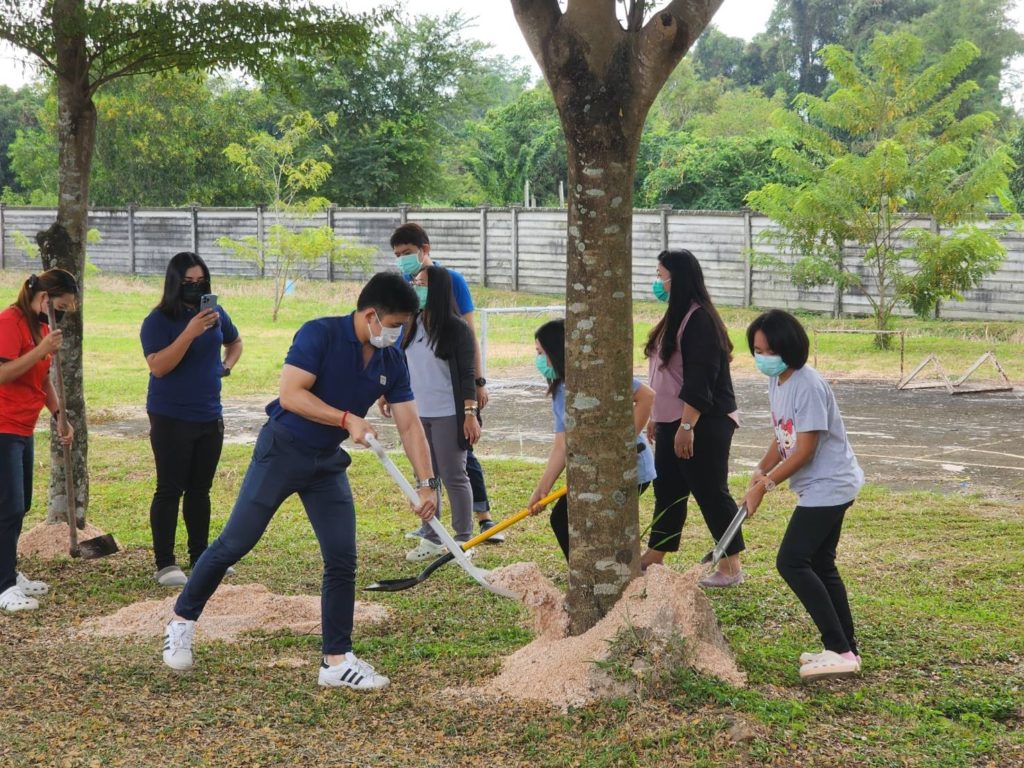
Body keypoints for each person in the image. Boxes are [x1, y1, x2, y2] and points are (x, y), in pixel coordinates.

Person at [161, 273, 438, 692]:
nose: (397, 335)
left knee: (342, 558)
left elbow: (411, 423)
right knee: (234, 543)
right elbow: (291, 394)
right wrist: (347, 419)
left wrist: (426, 482)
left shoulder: (390, 359)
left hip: (326, 463)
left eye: (403, 327)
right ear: (370, 315)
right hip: (283, 451)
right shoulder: (319, 334)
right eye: (395, 325)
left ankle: (336, 660)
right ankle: (182, 620)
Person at [743, 309, 864, 682]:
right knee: (822, 565)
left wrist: (765, 487)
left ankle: (839, 648)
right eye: (757, 350)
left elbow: (804, 450)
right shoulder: (778, 381)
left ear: (788, 347)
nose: (761, 357)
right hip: (824, 487)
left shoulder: (808, 385)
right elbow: (783, 436)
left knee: (792, 561)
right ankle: (844, 650)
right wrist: (759, 470)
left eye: (767, 350)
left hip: (829, 486)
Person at [389, 222, 502, 542]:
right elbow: (399, 351)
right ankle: (432, 531)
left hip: (449, 406)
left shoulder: (452, 285)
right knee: (428, 472)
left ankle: (471, 530)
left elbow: (468, 351)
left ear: (425, 250)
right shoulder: (410, 318)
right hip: (417, 407)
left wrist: (477, 388)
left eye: (407, 254)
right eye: (397, 256)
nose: (404, 263)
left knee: (457, 468)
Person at [639, 249, 744, 587]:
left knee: (710, 491)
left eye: (661, 274)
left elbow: (701, 378)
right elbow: (663, 373)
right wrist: (658, 416)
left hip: (703, 422)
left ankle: (731, 566)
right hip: (673, 421)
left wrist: (687, 425)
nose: (657, 281)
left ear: (677, 278)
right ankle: (655, 556)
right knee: (667, 489)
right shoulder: (674, 315)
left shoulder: (700, 319)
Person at [141, 252, 243, 587]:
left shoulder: (214, 314)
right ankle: (165, 563)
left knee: (201, 489)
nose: (195, 287)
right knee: (170, 488)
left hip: (209, 413)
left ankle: (201, 556)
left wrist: (224, 367)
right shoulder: (157, 321)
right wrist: (189, 333)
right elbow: (159, 366)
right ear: (174, 283)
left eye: (201, 282)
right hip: (171, 415)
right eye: (188, 283)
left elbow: (235, 341)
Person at [527, 319, 656, 560]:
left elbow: (647, 396)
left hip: (630, 468)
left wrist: (619, 446)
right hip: (594, 471)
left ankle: (615, 578)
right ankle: (584, 576)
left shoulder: (599, 374)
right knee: (563, 519)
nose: (540, 361)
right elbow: (561, 445)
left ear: (558, 350)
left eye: (542, 353)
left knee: (601, 526)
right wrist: (542, 489)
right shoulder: (559, 390)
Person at [0, 270, 78, 612]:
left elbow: (43, 376)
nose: (60, 315)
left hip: (24, 426)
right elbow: (3, 373)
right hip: (3, 425)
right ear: (44, 298)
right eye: (59, 306)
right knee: (9, 506)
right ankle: (3, 588)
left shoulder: (42, 328)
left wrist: (60, 414)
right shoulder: (10, 321)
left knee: (21, 505)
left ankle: (8, 573)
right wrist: (42, 349)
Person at [393, 266, 481, 561]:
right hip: (416, 414)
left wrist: (470, 414)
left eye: (422, 283)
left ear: (438, 289)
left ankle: (463, 540)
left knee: (453, 475)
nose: (416, 287)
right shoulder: (410, 324)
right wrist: (386, 394)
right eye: (415, 282)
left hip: (448, 414)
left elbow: (467, 374)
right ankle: (430, 536)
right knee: (424, 476)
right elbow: (398, 362)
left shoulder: (456, 329)